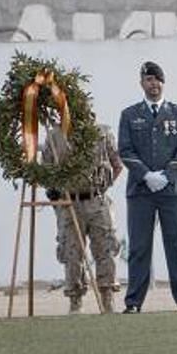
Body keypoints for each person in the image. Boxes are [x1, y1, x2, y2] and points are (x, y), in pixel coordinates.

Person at [118, 62, 177, 313]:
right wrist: (147, 175)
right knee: (139, 247)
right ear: (142, 83)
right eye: (149, 79)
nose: (153, 84)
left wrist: (167, 174)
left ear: (163, 83)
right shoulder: (129, 115)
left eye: (157, 79)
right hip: (141, 190)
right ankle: (134, 302)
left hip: (171, 190)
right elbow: (125, 150)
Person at [45, 123, 123, 313]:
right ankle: (75, 299)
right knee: (71, 252)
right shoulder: (55, 135)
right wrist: (53, 191)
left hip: (97, 201)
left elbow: (117, 164)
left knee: (106, 249)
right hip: (69, 203)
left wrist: (103, 185)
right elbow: (46, 167)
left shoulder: (102, 133)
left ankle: (107, 297)